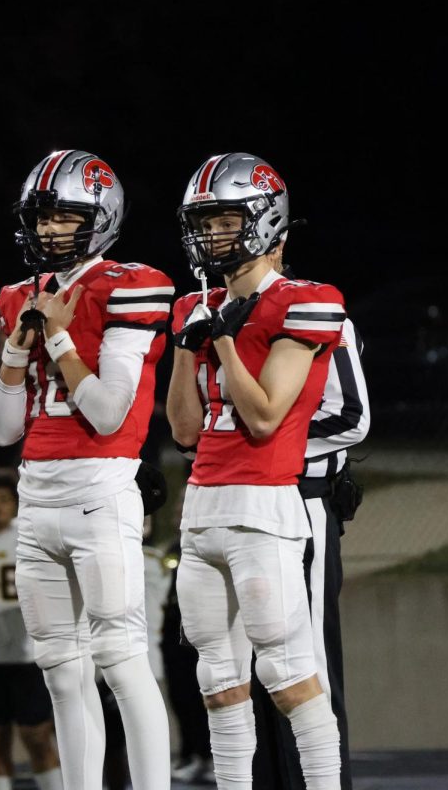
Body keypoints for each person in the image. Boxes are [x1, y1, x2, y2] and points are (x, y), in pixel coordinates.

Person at [0, 150, 174, 790]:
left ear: (101, 218)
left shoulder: (130, 284)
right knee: (61, 669)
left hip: (100, 488)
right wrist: (16, 346)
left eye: (66, 215)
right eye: (42, 217)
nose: (49, 230)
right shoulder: (18, 296)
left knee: (120, 659)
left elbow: (108, 410)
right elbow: (4, 429)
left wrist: (60, 339)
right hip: (36, 497)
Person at [166, 153, 346, 789]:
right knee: (216, 680)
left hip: (263, 509)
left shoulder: (305, 301)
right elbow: (184, 429)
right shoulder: (197, 304)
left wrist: (218, 339)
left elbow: (267, 416)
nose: (212, 234)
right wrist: (189, 349)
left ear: (268, 224)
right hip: (203, 509)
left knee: (288, 673)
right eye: (204, 221)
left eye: (225, 219)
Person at [249, 239, 370, 790]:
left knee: (308, 669)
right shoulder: (217, 316)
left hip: (302, 503)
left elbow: (351, 415)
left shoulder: (315, 310)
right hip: (237, 504)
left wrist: (259, 446)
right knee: (244, 677)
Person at [0, 466, 63, 790]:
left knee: (37, 735)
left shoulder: (29, 534)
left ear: (16, 503)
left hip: (27, 655)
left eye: (4, 499)